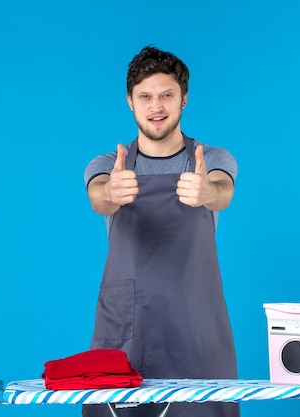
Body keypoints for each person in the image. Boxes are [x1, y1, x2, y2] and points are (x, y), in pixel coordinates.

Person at [83, 46, 239, 417]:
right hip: (127, 329)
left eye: (167, 95)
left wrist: (208, 192)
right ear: (130, 102)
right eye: (146, 96)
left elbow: (222, 191)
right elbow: (98, 198)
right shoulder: (109, 165)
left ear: (183, 99)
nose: (157, 107)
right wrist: (110, 191)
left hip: (197, 331)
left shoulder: (211, 160)